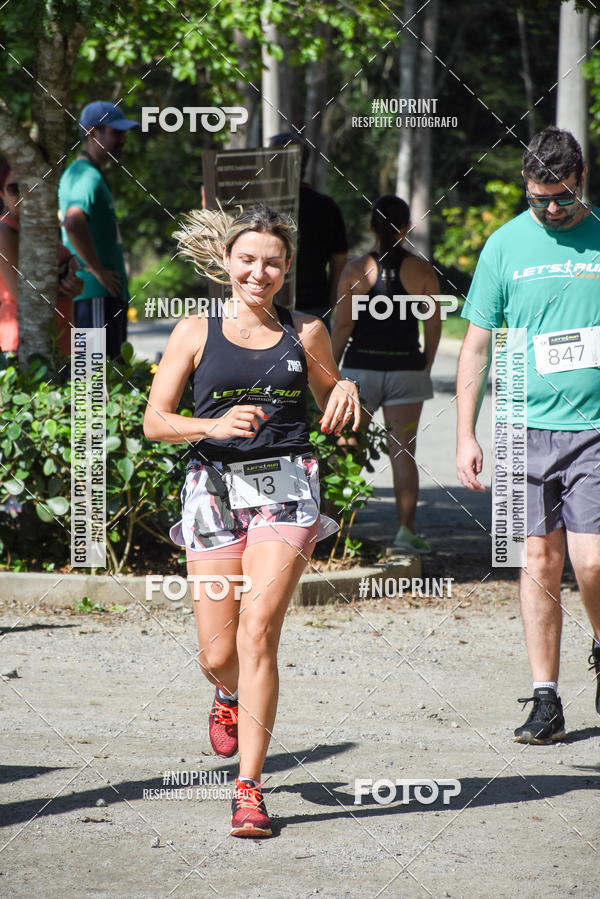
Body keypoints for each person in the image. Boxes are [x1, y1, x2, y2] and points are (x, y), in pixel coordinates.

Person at [143, 203, 360, 837]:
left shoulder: (306, 331)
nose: (258, 272)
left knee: (258, 629)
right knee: (219, 652)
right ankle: (227, 693)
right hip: (211, 489)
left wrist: (347, 394)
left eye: (271, 262)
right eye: (247, 260)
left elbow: (334, 398)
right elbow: (156, 422)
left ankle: (249, 787)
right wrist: (210, 424)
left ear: (287, 267)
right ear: (227, 264)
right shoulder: (194, 330)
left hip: (287, 488)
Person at [456, 127, 600, 744]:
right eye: (538, 198)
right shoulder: (505, 244)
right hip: (520, 425)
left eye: (561, 198)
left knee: (591, 562)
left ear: (583, 180)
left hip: (593, 428)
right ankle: (546, 698)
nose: (549, 210)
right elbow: (478, 342)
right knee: (538, 563)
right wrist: (466, 431)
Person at [330, 194, 441, 553]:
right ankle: (405, 532)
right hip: (406, 368)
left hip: (360, 370)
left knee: (344, 448)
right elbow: (434, 324)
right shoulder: (423, 270)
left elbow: (343, 325)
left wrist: (332, 371)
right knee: (403, 453)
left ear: (370, 226)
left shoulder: (356, 270)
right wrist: (427, 360)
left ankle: (334, 529)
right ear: (407, 227)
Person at [59, 101, 139, 359]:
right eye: (116, 132)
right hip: (93, 296)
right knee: (91, 387)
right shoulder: (84, 175)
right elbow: (72, 221)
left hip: (103, 298)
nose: (123, 140)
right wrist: (98, 271)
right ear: (93, 133)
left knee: (107, 381)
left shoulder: (93, 174)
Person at [0, 164, 81, 358]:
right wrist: (61, 286)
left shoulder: (43, 225)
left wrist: (76, 285)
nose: (23, 194)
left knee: (88, 384)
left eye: (29, 186)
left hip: (63, 337)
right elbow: (22, 295)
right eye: (14, 189)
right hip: (23, 344)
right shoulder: (5, 231)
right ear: (2, 194)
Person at [268, 132, 348, 323]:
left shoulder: (261, 207)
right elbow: (339, 264)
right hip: (315, 306)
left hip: (269, 303)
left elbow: (339, 262)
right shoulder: (327, 206)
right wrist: (330, 303)